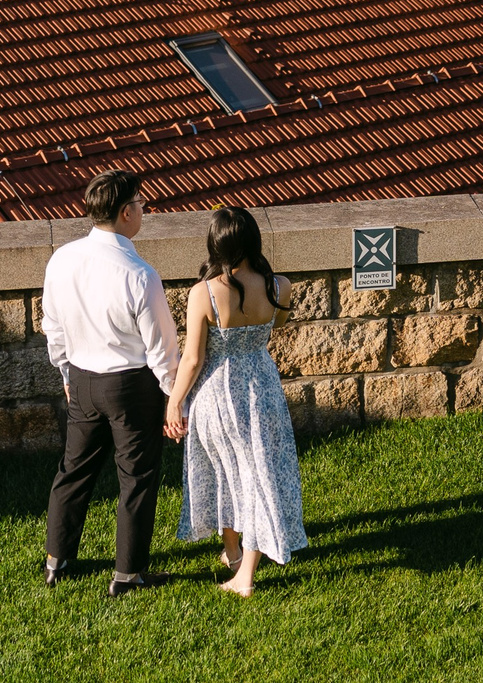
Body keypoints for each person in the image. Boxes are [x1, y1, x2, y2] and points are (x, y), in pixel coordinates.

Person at [42, 169, 179, 596]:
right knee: (135, 477)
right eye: (140, 204)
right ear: (124, 213)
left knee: (73, 471)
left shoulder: (62, 258)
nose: (144, 210)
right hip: (131, 386)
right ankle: (128, 574)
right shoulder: (140, 273)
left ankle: (56, 560)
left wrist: (66, 371)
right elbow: (160, 349)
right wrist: (175, 397)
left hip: (81, 379)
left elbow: (53, 325)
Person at [164, 205, 307, 597]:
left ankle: (240, 568)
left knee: (226, 472)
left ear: (216, 245)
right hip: (262, 387)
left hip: (216, 392)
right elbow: (272, 328)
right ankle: (238, 558)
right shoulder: (281, 286)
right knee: (260, 474)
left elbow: (192, 359)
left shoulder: (203, 293)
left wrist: (174, 402)